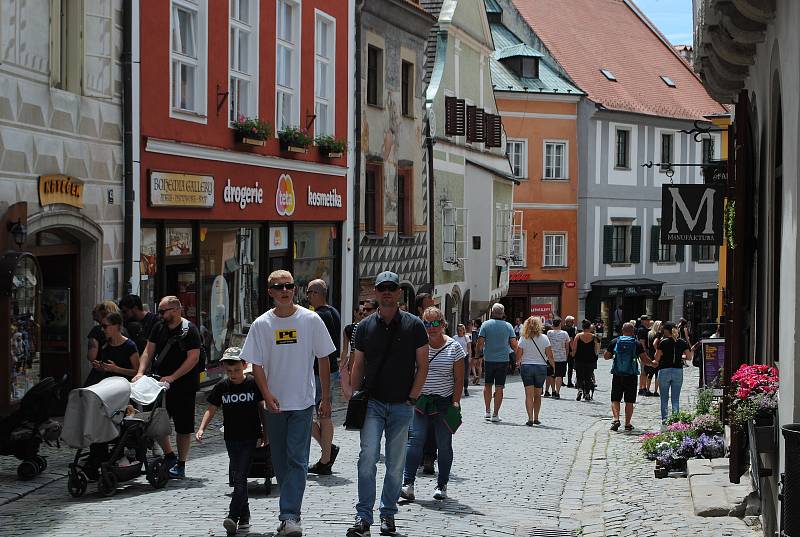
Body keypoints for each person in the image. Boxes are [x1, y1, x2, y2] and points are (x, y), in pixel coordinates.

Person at [240, 270, 334, 536]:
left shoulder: (311, 319)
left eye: (289, 286)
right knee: (280, 461)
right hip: (275, 405)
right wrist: (266, 394)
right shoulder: (261, 324)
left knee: (297, 460)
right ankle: (289, 513)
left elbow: (324, 358)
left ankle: (290, 515)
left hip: (302, 402)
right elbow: (255, 363)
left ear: (295, 289)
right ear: (270, 291)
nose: (285, 290)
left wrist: (325, 397)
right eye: (279, 287)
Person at [347, 271, 429, 537]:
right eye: (382, 288)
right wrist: (352, 393)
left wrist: (412, 397)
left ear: (399, 293)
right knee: (367, 458)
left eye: (391, 288)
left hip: (401, 404)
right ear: (375, 293)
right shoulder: (364, 327)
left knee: (395, 464)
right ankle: (363, 517)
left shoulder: (415, 325)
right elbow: (358, 364)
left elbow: (423, 366)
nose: (386, 292)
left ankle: (388, 515)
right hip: (372, 402)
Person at [196, 348, 267, 536]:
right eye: (229, 371)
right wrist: (202, 428)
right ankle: (244, 517)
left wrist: (265, 432)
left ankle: (233, 516)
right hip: (231, 438)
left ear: (244, 366)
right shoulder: (222, 387)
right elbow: (211, 408)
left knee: (241, 476)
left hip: (250, 437)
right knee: (238, 477)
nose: (233, 374)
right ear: (224, 369)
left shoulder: (253, 384)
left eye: (236, 370)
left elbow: (262, 409)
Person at [400, 306, 465, 502]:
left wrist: (455, 402)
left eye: (435, 323)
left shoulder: (455, 348)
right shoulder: (417, 345)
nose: (431, 327)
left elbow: (459, 379)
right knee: (415, 440)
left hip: (444, 403)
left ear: (443, 324)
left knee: (443, 445)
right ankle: (408, 483)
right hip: (420, 402)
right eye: (427, 323)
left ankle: (442, 485)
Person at [133, 296, 201, 479]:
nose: (160, 314)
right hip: (159, 383)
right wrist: (140, 372)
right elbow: (148, 350)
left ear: (176, 310)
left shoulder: (190, 330)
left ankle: (181, 463)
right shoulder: (158, 327)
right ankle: (170, 456)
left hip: (184, 385)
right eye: (159, 311)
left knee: (183, 426)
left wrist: (173, 377)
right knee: (156, 421)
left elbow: (193, 358)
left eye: (163, 311)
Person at [306, 279, 341, 476]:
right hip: (330, 368)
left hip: (320, 370)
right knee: (323, 413)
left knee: (316, 413)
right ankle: (327, 451)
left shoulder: (317, 316)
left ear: (317, 293)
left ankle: (326, 457)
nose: (308, 296)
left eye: (310, 293)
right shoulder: (333, 312)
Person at [604, 323, 652, 432]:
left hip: (617, 374)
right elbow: (644, 359)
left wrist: (614, 355)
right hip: (631, 375)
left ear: (622, 330)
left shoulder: (615, 341)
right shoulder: (636, 343)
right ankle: (627, 424)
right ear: (633, 331)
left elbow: (606, 356)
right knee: (629, 401)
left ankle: (616, 419)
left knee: (615, 398)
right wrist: (653, 364)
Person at [477, 303, 517, 422]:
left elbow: (480, 343)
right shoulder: (508, 326)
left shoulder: (485, 324)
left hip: (489, 359)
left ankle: (487, 411)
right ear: (503, 313)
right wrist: (519, 356)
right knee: (500, 387)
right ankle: (495, 414)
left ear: (492, 312)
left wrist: (477, 355)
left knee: (487, 385)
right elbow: (514, 344)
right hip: (503, 360)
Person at [515, 316, 555, 426]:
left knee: (528, 394)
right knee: (537, 394)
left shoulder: (523, 338)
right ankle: (537, 417)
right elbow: (550, 355)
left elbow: (518, 355)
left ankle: (530, 419)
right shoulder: (544, 338)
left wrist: (517, 363)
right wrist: (554, 367)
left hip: (527, 367)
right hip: (541, 368)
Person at [653, 321, 693, 423]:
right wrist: (680, 356)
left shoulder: (663, 342)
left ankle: (665, 419)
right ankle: (675, 420)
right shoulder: (682, 342)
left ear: (667, 331)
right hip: (678, 371)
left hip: (664, 370)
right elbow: (689, 357)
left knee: (664, 399)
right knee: (675, 399)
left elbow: (657, 358)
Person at [91, 312, 140, 382]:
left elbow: (137, 372)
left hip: (124, 385)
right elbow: (108, 369)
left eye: (105, 326)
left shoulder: (129, 345)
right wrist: (101, 367)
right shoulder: (105, 344)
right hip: (108, 384)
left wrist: (116, 369)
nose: (102, 329)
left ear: (116, 326)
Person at [85, 300, 124, 386]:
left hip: (102, 375)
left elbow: (92, 356)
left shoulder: (96, 331)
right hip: (121, 377)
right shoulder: (123, 330)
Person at [572, 320, 600, 401]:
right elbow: (597, 350)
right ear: (589, 328)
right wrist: (595, 355)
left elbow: (574, 348)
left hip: (579, 359)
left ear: (583, 328)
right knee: (588, 377)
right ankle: (587, 393)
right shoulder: (594, 337)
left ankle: (580, 389)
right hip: (590, 360)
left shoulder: (578, 336)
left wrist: (572, 355)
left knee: (579, 376)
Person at [543, 318, 570, 399]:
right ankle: (557, 392)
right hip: (561, 357)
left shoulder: (549, 333)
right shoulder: (564, 333)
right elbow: (567, 346)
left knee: (551, 374)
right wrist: (566, 355)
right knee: (559, 375)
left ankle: (552, 390)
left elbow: (546, 344)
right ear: (560, 324)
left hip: (550, 357)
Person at [636, 315, 653, 396]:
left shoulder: (644, 329)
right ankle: (641, 388)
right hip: (644, 352)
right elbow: (642, 342)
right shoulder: (642, 330)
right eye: (647, 320)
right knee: (643, 371)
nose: (648, 321)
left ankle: (644, 387)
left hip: (644, 351)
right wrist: (644, 352)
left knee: (645, 371)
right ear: (643, 321)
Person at [453, 324, 471, 398]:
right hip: (456, 357)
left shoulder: (466, 338)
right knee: (456, 373)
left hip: (465, 357)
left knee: (465, 374)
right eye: (458, 330)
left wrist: (469, 357)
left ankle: (466, 389)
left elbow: (469, 348)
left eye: (460, 330)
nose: (459, 331)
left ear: (463, 330)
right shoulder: (454, 338)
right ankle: (455, 389)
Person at [645, 320, 662, 397]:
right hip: (656, 356)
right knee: (657, 374)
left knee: (650, 374)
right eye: (661, 325)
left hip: (650, 355)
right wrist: (657, 351)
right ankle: (655, 391)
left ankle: (647, 390)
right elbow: (654, 343)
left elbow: (648, 344)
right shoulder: (658, 334)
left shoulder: (649, 333)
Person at [563, 316, 577, 387]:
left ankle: (561, 380)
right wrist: (573, 350)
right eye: (572, 322)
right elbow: (571, 340)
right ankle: (569, 382)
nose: (573, 323)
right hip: (569, 350)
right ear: (568, 322)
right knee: (570, 366)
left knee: (563, 365)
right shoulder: (571, 329)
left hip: (562, 349)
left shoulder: (562, 328)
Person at [470, 320, 483, 385]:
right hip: (481, 349)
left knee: (473, 364)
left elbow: (474, 341)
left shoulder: (474, 331)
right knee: (479, 365)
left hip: (475, 349)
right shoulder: (482, 330)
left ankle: (475, 376)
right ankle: (478, 380)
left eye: (474, 323)